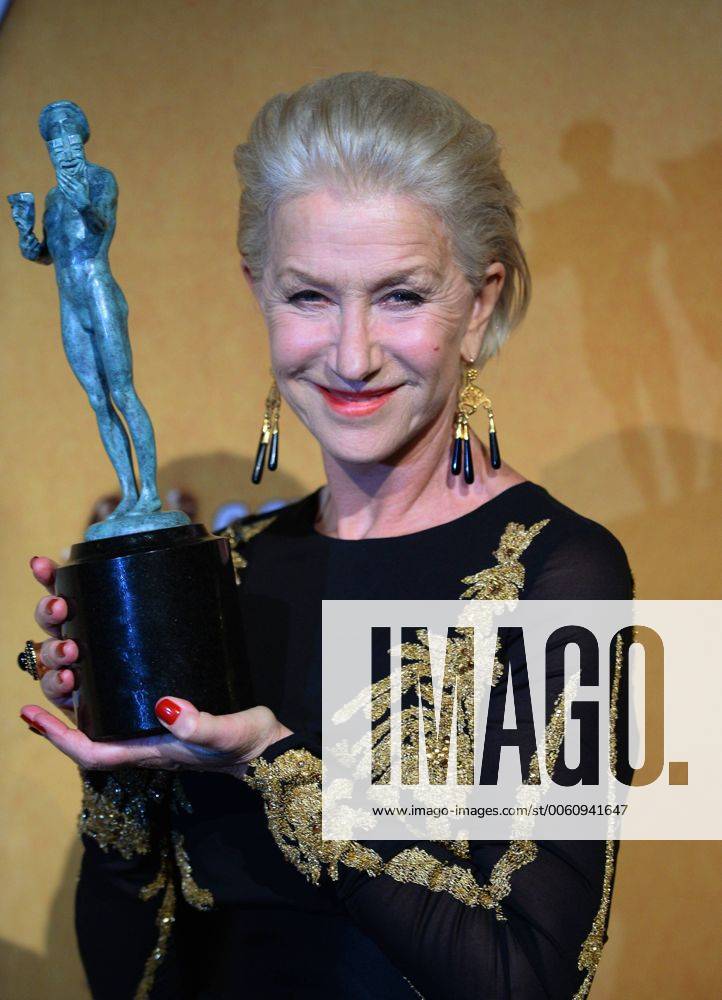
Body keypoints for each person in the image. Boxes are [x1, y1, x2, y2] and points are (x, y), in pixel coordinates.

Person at [19, 72, 635, 999]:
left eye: (400, 297)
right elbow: (127, 972)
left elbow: (535, 979)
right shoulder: (224, 573)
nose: (350, 355)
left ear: (479, 302)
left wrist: (271, 762)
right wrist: (119, 758)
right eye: (309, 296)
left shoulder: (571, 569)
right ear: (257, 290)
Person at [9, 99, 162, 520]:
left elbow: (100, 228)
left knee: (122, 391)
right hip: (70, 302)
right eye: (56, 145)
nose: (64, 150)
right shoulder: (53, 198)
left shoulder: (99, 181)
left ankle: (150, 490)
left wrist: (84, 203)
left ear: (81, 140)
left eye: (69, 140)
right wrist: (27, 239)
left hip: (99, 293)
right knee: (98, 400)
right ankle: (128, 494)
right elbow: (51, 253)